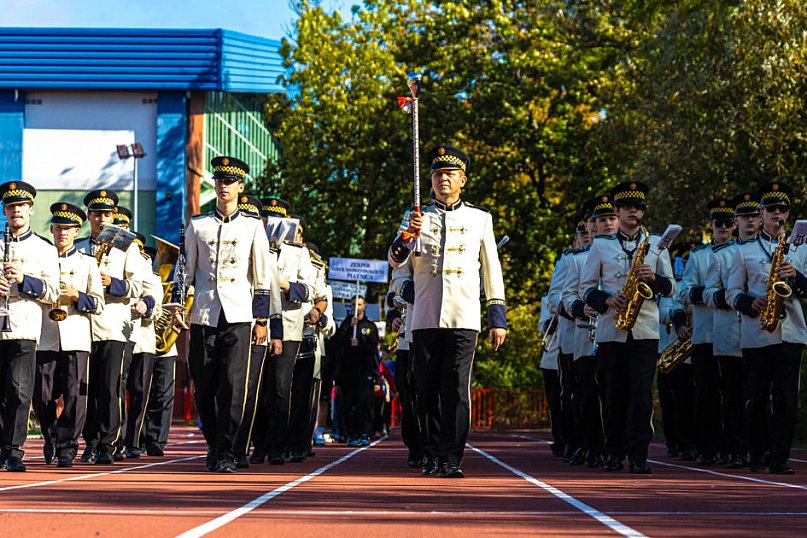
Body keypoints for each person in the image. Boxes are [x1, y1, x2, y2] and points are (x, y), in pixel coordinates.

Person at [388, 145, 507, 478]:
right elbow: (396, 262)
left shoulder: (480, 219)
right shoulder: (416, 216)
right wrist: (407, 234)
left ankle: (451, 457)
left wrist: (497, 318)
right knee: (424, 388)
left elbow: (491, 270)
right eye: (438, 174)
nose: (443, 179)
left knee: (456, 389)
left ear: (462, 180)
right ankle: (428, 451)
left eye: (450, 174)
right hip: (424, 314)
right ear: (430, 180)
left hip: (464, 315)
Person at [171, 156, 282, 473]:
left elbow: (261, 276)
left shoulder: (251, 227)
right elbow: (184, 270)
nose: (224, 186)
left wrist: (261, 320)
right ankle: (215, 443)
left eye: (230, 181)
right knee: (204, 385)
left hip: (239, 314)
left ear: (240, 186)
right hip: (205, 313)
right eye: (219, 180)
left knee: (233, 385)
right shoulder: (198, 224)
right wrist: (178, 305)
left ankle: (229, 449)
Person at [580, 181, 674, 474]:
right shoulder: (601, 245)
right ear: (617, 211)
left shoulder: (657, 244)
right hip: (612, 328)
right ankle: (613, 451)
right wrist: (607, 299)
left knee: (641, 395)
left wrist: (652, 279)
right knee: (613, 394)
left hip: (645, 329)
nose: (634, 211)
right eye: (628, 207)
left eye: (639, 207)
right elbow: (585, 289)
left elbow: (670, 287)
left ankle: (638, 454)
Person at [726, 181, 806, 475]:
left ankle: (779, 457)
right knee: (756, 399)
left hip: (791, 332)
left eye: (782, 209)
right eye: (771, 209)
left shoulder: (802, 248)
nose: (777, 214)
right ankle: (756, 453)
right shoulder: (744, 252)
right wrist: (750, 302)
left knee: (786, 399)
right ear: (761, 214)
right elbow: (731, 292)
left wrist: (795, 275)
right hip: (757, 333)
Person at [34, 202, 104, 468]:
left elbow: (98, 303)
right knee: (42, 394)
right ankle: (50, 436)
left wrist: (79, 296)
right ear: (51, 229)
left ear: (77, 231)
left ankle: (67, 447)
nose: (62, 233)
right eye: (58, 228)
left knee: (75, 394)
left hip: (75, 335)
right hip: (45, 333)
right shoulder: (42, 257)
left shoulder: (87, 263)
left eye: (68, 229)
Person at [250, 199, 314, 465]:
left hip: (288, 327)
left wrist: (286, 285)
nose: (270, 226)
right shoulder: (254, 246)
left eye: (276, 221)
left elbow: (309, 290)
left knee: (279, 389)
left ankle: (276, 446)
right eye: (266, 220)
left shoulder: (298, 252)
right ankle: (258, 444)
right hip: (258, 325)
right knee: (256, 388)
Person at [0, 182, 59, 472]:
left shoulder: (43, 249)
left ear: (31, 210)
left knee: (19, 391)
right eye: (10, 207)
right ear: (4, 211)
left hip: (23, 325)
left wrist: (24, 280)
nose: (15, 211)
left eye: (20, 207)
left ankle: (13, 451)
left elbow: (53, 292)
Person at [671, 199, 735, 466]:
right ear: (710, 225)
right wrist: (704, 294)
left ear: (734, 225)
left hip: (734, 335)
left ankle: (733, 447)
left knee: (734, 394)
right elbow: (684, 292)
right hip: (705, 333)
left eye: (727, 222)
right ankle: (707, 447)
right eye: (717, 222)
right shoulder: (698, 256)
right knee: (706, 395)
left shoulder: (740, 252)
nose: (723, 227)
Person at [703, 192, 761, 468]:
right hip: (731, 335)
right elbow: (709, 292)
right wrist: (733, 297)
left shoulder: (772, 250)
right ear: (735, 221)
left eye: (753, 215)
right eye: (744, 217)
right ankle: (737, 449)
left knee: (760, 394)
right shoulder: (723, 254)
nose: (749, 221)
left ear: (760, 218)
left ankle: (761, 448)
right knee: (734, 396)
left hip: (764, 333)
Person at [565, 195, 618, 468]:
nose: (605, 225)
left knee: (615, 394)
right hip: (586, 334)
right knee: (587, 396)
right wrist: (579, 308)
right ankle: (593, 447)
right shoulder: (576, 258)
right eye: (599, 220)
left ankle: (615, 447)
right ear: (590, 225)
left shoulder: (627, 251)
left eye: (611, 219)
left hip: (616, 333)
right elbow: (565, 295)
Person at [335, 295, 379, 446]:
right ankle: (351, 433)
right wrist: (348, 330)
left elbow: (373, 349)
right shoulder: (345, 325)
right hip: (348, 371)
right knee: (349, 404)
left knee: (364, 403)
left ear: (364, 306)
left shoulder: (369, 326)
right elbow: (338, 345)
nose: (356, 308)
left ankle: (365, 432)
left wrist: (376, 377)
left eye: (359, 304)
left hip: (364, 370)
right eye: (353, 305)